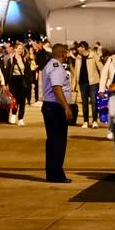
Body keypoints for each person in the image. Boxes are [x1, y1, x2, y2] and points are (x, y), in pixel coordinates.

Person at [41, 44, 73, 183]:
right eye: (66, 53)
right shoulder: (57, 68)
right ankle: (56, 174)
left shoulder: (49, 65)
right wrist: (66, 107)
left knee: (53, 142)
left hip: (50, 106)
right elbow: (57, 89)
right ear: (62, 54)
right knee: (58, 143)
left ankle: (54, 174)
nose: (67, 55)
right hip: (55, 107)